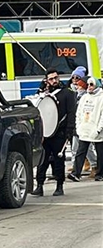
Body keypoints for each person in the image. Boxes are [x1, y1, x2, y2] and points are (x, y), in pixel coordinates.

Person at [31, 68, 77, 197]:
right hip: (45, 132)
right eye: (51, 79)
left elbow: (71, 113)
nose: (55, 80)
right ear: (46, 80)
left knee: (58, 160)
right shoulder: (42, 93)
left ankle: (59, 186)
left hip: (60, 132)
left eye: (56, 77)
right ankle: (39, 185)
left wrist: (69, 130)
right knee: (42, 160)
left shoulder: (66, 93)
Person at [68, 77, 103, 182]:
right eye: (88, 85)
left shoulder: (101, 97)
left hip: (97, 130)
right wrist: (78, 126)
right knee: (80, 151)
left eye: (91, 85)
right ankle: (76, 173)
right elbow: (78, 113)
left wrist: (98, 129)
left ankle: (100, 173)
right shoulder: (84, 97)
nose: (89, 87)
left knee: (100, 153)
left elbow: (102, 116)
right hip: (84, 129)